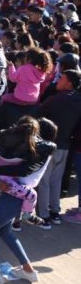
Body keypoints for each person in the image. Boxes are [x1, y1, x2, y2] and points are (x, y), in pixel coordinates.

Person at [0, 116, 55, 284]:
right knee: (5, 232)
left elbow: (21, 168)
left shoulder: (35, 151)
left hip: (12, 195)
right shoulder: (39, 150)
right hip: (16, 195)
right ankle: (28, 271)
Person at [38, 69, 81, 225]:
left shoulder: (54, 100)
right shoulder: (78, 100)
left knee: (44, 181)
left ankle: (43, 215)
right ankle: (55, 211)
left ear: (69, 82)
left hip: (48, 145)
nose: (58, 81)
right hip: (65, 145)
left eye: (61, 78)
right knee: (56, 180)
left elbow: (39, 113)